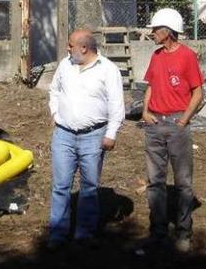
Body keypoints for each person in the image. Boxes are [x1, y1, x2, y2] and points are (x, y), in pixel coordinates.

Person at [47, 29, 125, 248]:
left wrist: (111, 134)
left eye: (70, 45)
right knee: (61, 185)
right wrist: (55, 113)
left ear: (84, 48)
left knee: (89, 187)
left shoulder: (108, 70)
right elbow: (54, 90)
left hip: (93, 135)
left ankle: (84, 232)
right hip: (64, 134)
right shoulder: (65, 65)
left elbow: (116, 104)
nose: (67, 48)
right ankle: (58, 233)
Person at [138, 8, 204, 254]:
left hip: (177, 125)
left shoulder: (187, 56)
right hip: (154, 125)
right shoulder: (156, 56)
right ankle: (158, 231)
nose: (152, 33)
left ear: (167, 32)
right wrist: (145, 111)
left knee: (182, 182)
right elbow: (151, 86)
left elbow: (198, 91)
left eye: (155, 29)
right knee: (155, 181)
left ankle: (184, 231)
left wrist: (184, 120)